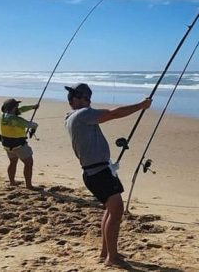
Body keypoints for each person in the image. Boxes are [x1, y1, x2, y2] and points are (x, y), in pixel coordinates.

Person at [64, 83, 151, 268]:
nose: (88, 102)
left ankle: (106, 252)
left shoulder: (71, 117)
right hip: (98, 172)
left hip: (96, 170)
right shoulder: (82, 114)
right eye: (85, 98)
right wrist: (140, 106)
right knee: (116, 211)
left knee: (111, 210)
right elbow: (112, 114)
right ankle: (112, 257)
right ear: (76, 99)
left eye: (88, 98)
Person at [0, 98, 39, 190]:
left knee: (13, 162)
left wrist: (33, 107)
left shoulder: (3, 115)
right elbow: (32, 125)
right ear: (13, 108)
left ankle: (12, 182)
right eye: (16, 106)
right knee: (29, 163)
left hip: (6, 145)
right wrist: (34, 129)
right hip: (18, 145)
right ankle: (29, 185)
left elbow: (22, 109)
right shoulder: (16, 120)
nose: (18, 107)